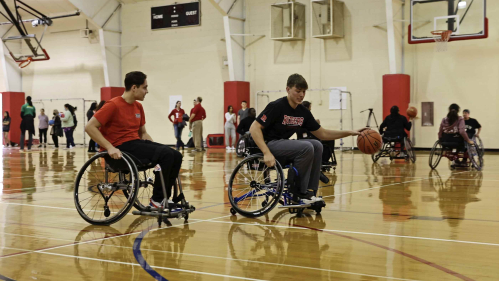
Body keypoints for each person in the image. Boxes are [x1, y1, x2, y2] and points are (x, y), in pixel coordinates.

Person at [250, 74, 364, 205]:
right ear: (288, 89)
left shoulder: (303, 112)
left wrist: (350, 132)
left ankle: (310, 192)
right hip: (268, 144)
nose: (301, 95)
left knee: (317, 144)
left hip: (282, 144)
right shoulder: (276, 106)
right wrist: (266, 152)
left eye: (303, 91)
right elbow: (254, 128)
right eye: (298, 91)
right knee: (306, 147)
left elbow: (323, 134)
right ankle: (298, 193)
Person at [86, 71, 182, 207]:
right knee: (165, 153)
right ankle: (157, 200)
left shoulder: (138, 107)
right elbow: (89, 127)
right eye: (145, 87)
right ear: (134, 87)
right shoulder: (113, 105)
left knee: (175, 155)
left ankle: (165, 198)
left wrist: (156, 150)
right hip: (120, 149)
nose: (147, 91)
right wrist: (109, 147)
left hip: (135, 145)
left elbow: (143, 133)